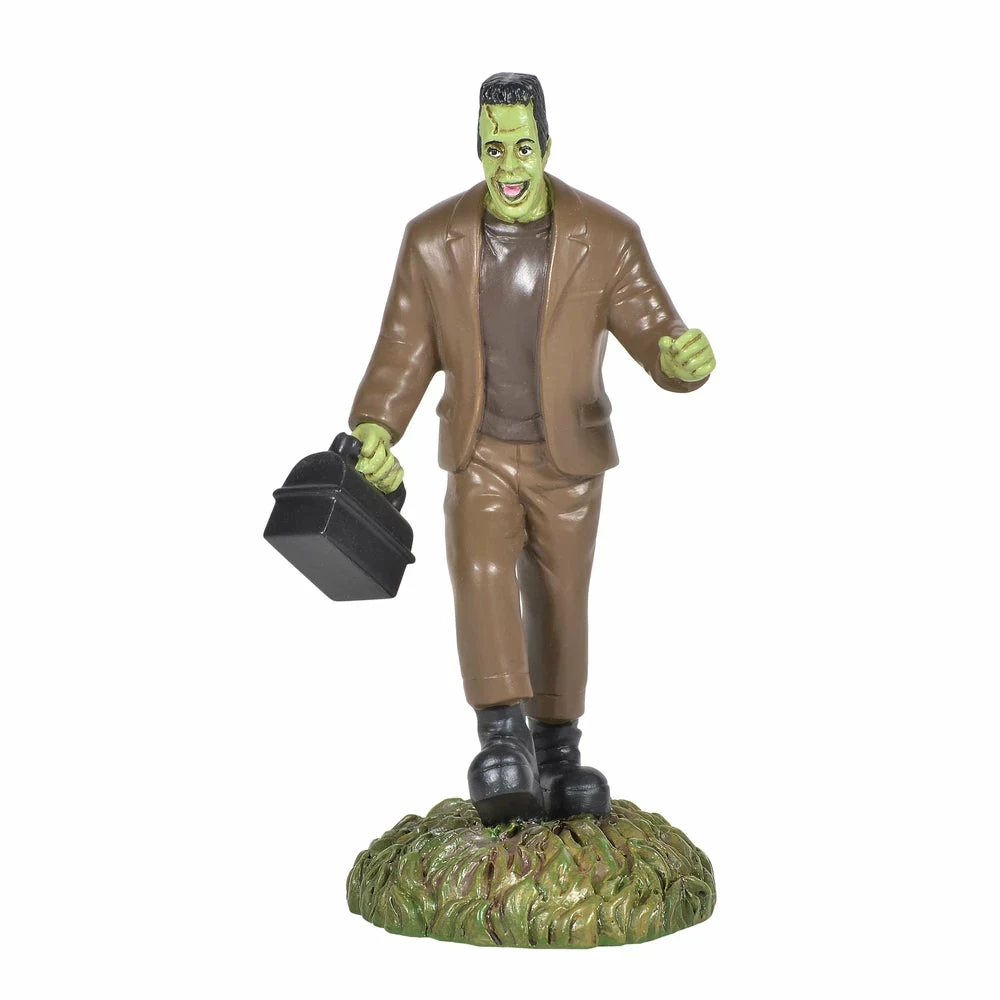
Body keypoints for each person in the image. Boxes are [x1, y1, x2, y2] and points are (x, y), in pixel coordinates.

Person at [348, 72, 716, 825]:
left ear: (547, 146)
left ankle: (557, 752)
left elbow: (655, 328)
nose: (508, 167)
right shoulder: (432, 241)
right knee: (481, 576)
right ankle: (503, 742)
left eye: (521, 148)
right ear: (477, 150)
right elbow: (403, 349)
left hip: (566, 458)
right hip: (479, 449)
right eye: (494, 149)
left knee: (560, 596)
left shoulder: (607, 238)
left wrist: (679, 359)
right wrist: (376, 430)